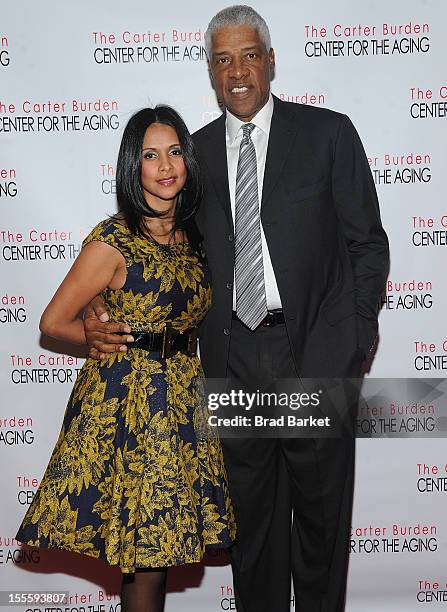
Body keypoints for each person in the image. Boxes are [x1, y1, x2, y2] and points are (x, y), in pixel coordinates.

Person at [84, 5, 389, 612]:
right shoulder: (190, 157)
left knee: (323, 530)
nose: (238, 71)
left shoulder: (328, 134)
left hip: (316, 356)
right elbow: (152, 241)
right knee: (253, 534)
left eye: (250, 55)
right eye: (223, 60)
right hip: (232, 362)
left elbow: (367, 244)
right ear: (211, 73)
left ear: (271, 62)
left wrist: (353, 340)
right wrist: (97, 299)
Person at [15, 106, 236, 612]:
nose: (165, 166)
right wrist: (95, 337)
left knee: (157, 556)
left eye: (175, 152)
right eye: (150, 155)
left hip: (181, 400)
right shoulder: (112, 241)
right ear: (131, 168)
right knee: (143, 556)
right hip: (129, 405)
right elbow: (53, 322)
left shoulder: (196, 235)